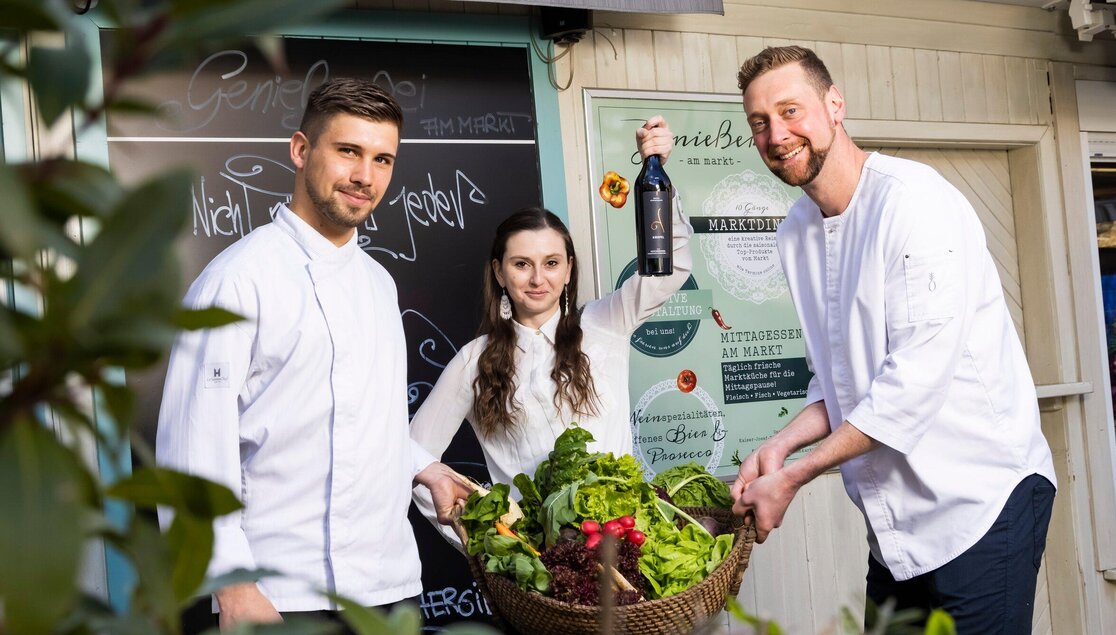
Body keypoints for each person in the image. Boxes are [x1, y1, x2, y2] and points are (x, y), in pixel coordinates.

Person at [729, 46, 1056, 633]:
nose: (777, 134)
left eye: (790, 110)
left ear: (835, 105)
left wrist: (795, 476)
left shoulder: (914, 201)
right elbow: (843, 378)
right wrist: (780, 445)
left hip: (981, 500)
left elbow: (911, 385)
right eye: (760, 122)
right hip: (896, 527)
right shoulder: (795, 233)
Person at [155, 77, 473, 631]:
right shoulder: (236, 281)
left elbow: (362, 418)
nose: (364, 177)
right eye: (348, 151)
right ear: (301, 151)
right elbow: (192, 448)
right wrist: (231, 585)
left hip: (385, 585)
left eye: (383, 159)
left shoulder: (378, 283)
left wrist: (423, 468)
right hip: (277, 595)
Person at [409, 117, 691, 542]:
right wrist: (486, 547)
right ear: (499, 273)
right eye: (521, 264)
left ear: (568, 270)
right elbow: (414, 457)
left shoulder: (606, 323)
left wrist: (658, 172)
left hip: (627, 547)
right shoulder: (474, 360)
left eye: (551, 263)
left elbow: (673, 267)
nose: (537, 278)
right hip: (541, 578)